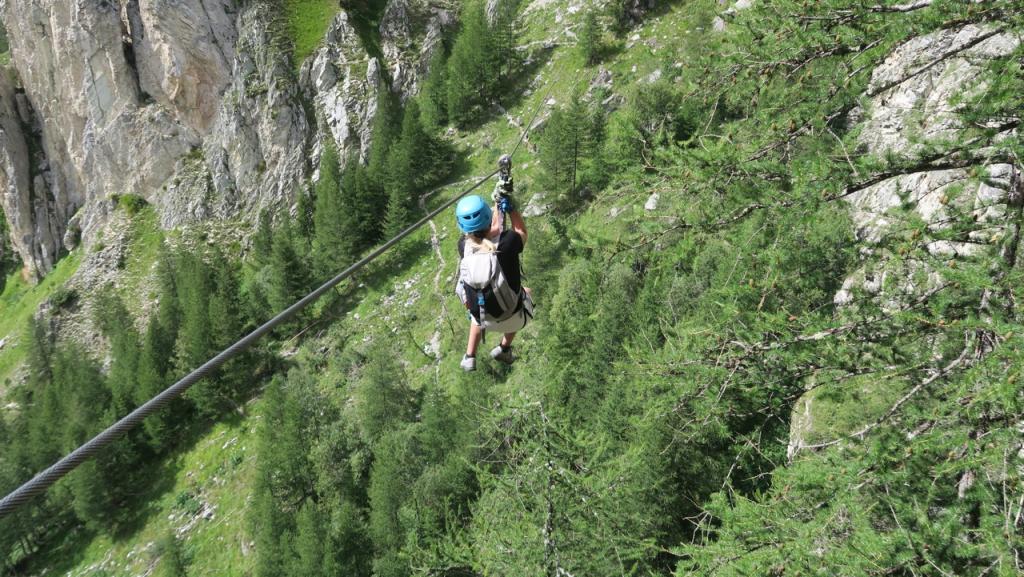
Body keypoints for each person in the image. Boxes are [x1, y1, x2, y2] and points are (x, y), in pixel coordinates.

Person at [454, 182, 533, 372]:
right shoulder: (508, 242)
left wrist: (497, 205)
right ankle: (504, 348)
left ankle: (470, 356)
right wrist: (511, 208)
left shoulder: (463, 246)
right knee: (526, 292)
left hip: (482, 319)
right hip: (512, 317)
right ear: (487, 217)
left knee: (479, 304)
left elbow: (488, 233)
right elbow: (521, 233)